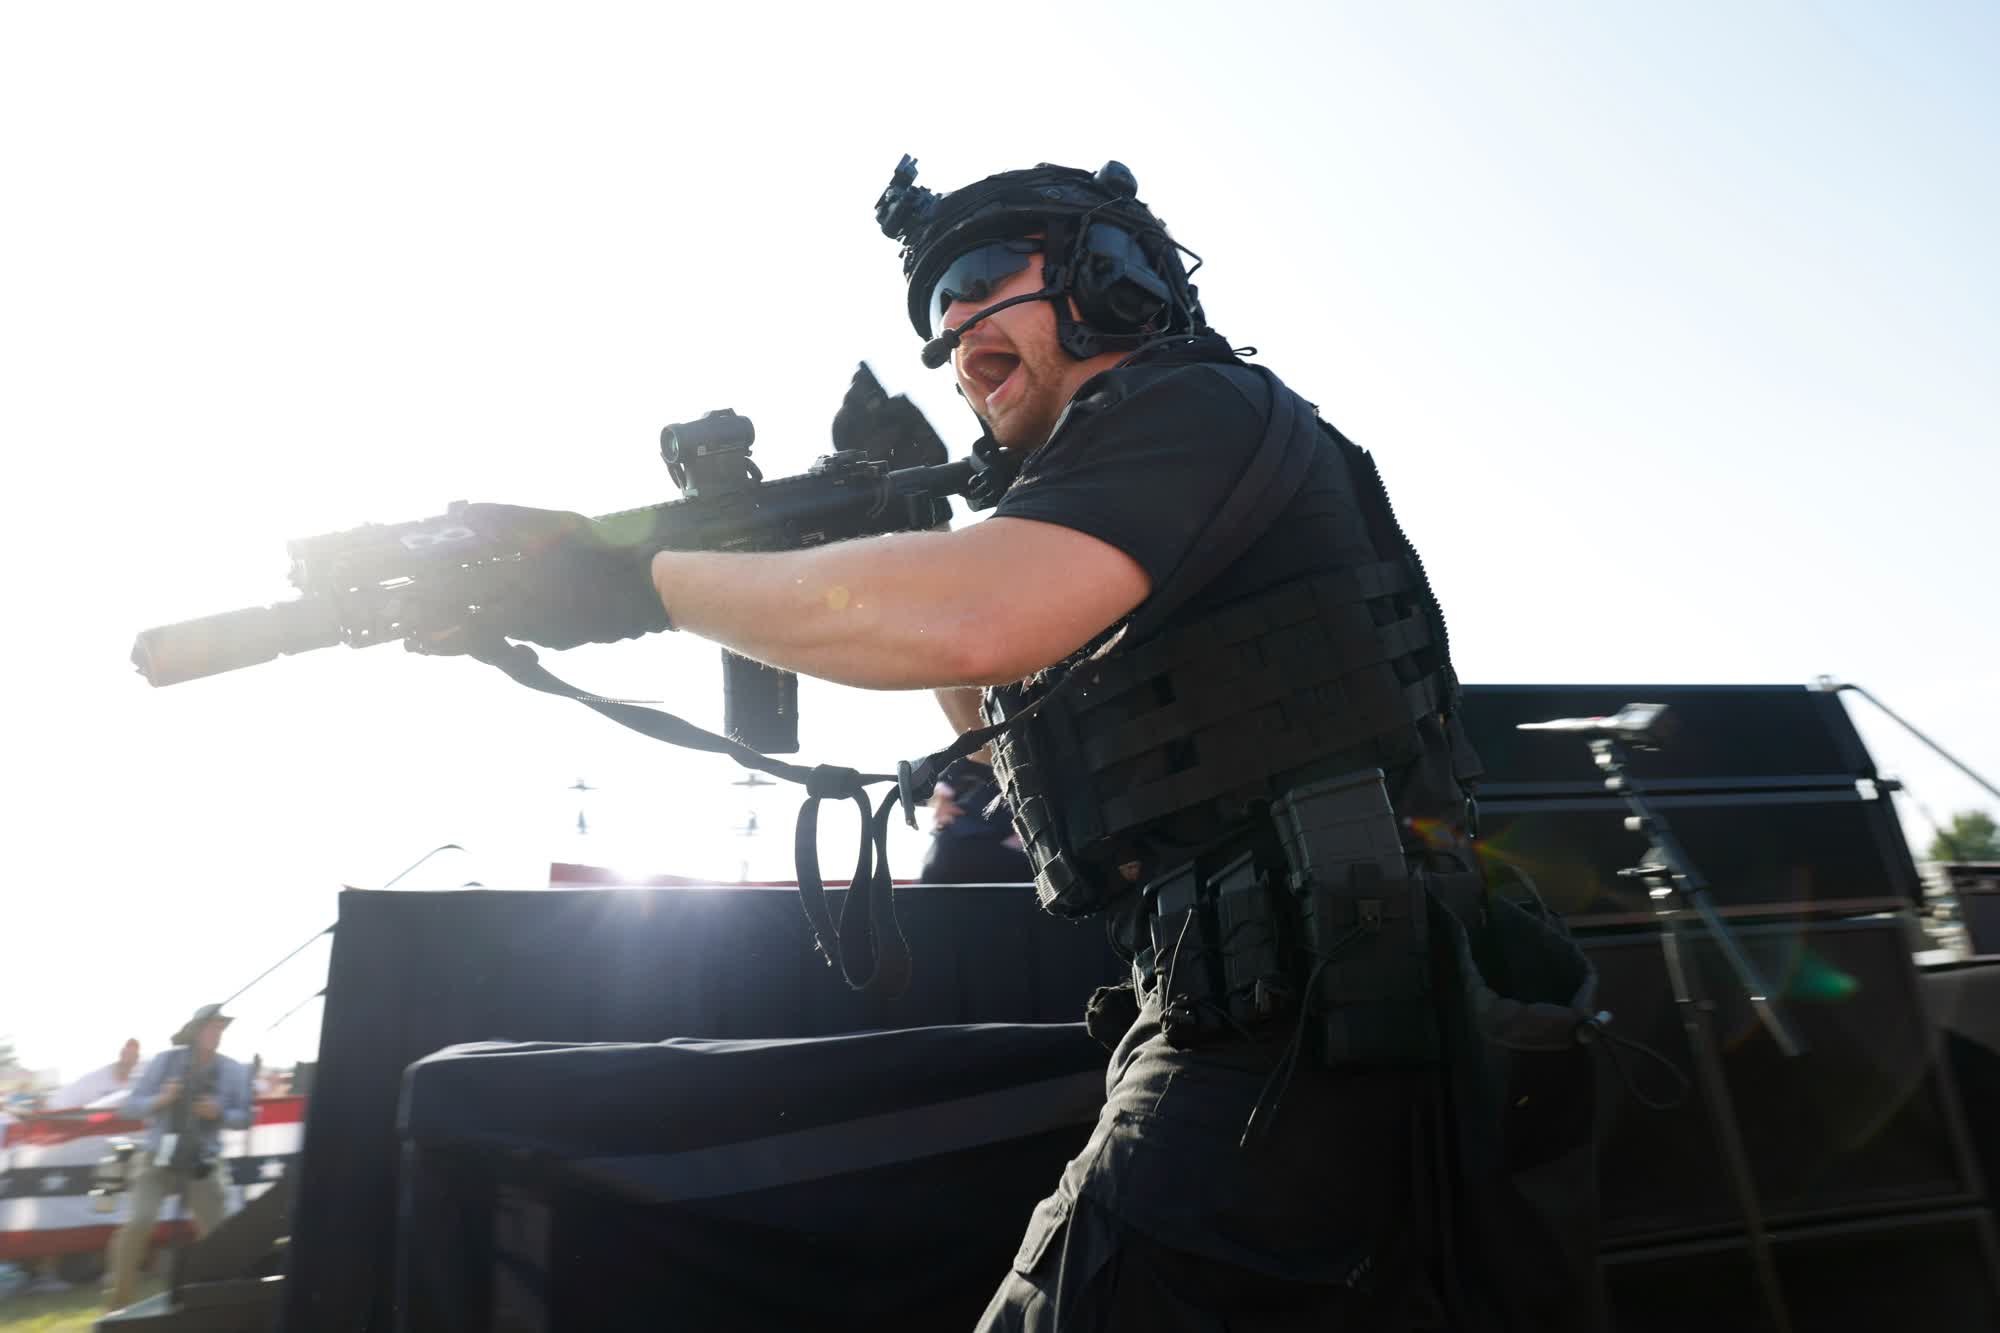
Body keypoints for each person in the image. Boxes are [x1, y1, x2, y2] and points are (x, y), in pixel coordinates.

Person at [454, 158, 1601, 1330]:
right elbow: (1009, 733)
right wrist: (908, 532)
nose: (952, 324)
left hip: (1305, 1023)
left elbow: (970, 614)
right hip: (1276, 1015)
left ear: (1115, 280)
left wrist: (631, 582)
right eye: (935, 309)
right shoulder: (1121, 501)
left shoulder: (1191, 408)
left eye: (981, 273)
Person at [106, 1004, 253, 1311]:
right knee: (139, 1221)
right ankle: (118, 1306)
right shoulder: (164, 1062)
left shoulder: (233, 1070)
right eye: (211, 1026)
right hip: (158, 1158)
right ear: (195, 1030)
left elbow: (246, 1116)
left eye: (220, 1027)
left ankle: (219, 1304)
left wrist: (219, 1112)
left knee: (218, 1234)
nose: (216, 1033)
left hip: (203, 1161)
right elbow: (128, 1107)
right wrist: (162, 1099)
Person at [50, 1037, 143, 1111]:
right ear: (121, 1055)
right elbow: (59, 1103)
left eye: (133, 1055)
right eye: (126, 1054)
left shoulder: (135, 1084)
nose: (128, 1059)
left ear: (136, 1059)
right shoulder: (94, 1081)